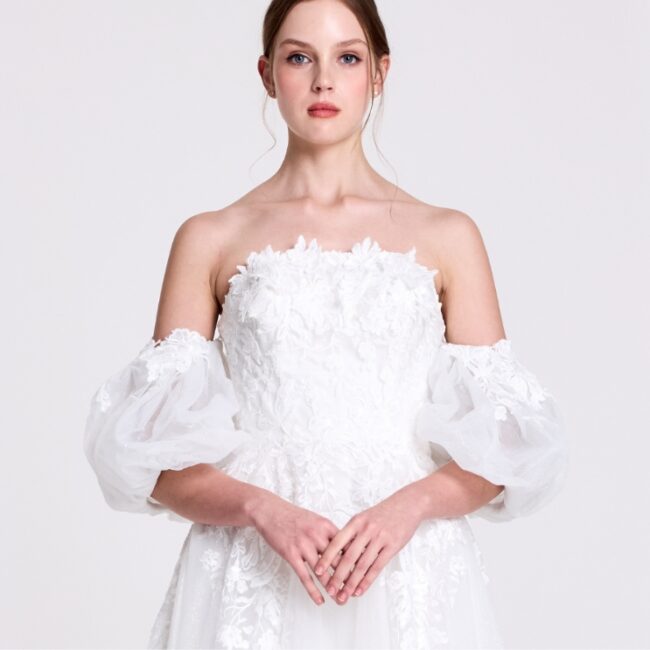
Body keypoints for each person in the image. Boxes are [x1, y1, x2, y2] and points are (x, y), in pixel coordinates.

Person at [83, 0, 570, 648]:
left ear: (379, 73)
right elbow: (152, 456)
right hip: (252, 567)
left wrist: (413, 505)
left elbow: (507, 442)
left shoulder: (449, 236)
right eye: (298, 57)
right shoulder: (209, 238)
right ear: (267, 74)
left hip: (407, 567)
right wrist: (259, 507)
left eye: (347, 57)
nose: (323, 80)